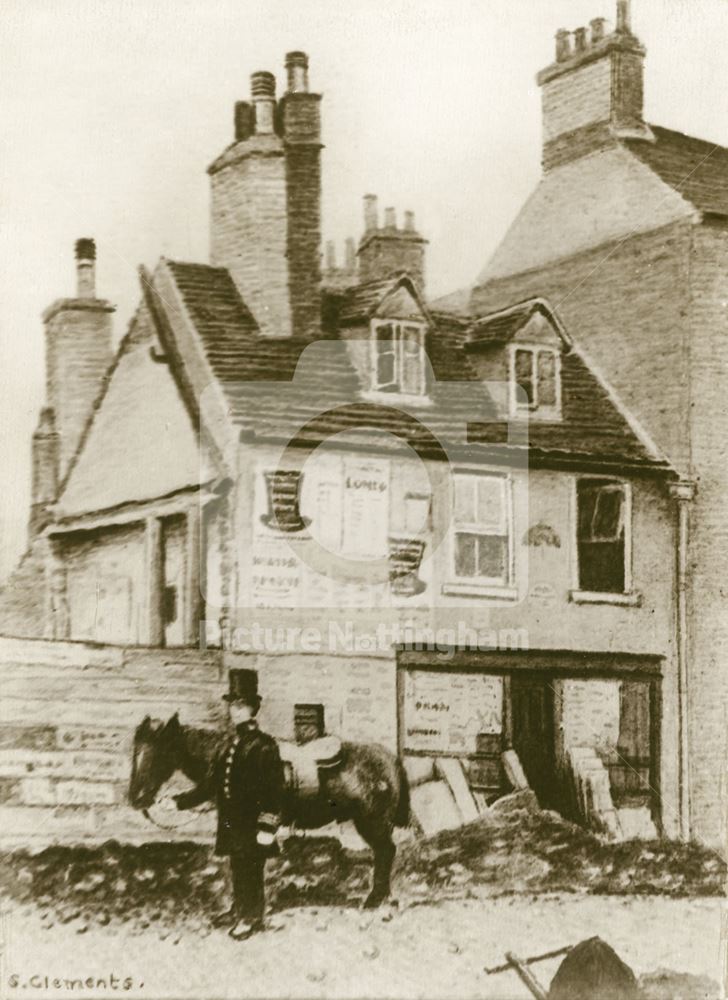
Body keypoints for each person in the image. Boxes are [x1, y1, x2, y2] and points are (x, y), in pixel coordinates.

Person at [174, 668, 285, 940]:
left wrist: (268, 824)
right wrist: (178, 802)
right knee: (237, 867)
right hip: (232, 822)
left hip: (254, 823)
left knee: (251, 869)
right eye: (232, 705)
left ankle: (252, 917)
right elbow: (210, 785)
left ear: (253, 709)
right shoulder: (227, 745)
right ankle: (239, 909)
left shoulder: (264, 745)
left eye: (241, 705)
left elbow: (275, 790)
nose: (235, 711)